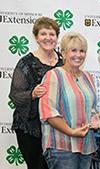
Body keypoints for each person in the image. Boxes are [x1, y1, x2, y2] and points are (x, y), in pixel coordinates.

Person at [9, 16, 62, 169]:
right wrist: (32, 94)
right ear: (36, 37)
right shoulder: (25, 63)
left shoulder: (63, 62)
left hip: (57, 127)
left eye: (52, 34)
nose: (48, 38)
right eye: (43, 34)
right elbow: (15, 94)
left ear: (57, 37)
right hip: (31, 128)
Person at [39, 32, 97, 169]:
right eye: (74, 50)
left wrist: (95, 118)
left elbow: (91, 107)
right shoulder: (53, 76)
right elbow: (49, 112)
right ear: (64, 53)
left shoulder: (88, 77)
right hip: (61, 146)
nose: (79, 54)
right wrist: (71, 132)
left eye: (82, 51)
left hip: (86, 146)